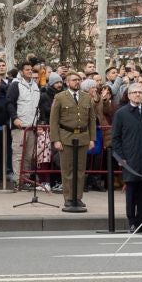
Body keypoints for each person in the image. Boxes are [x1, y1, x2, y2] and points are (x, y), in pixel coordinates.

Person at [111, 80, 142, 231]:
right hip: (129, 159)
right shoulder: (121, 113)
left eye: (140, 92)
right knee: (131, 192)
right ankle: (132, 222)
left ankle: (141, 222)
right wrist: (120, 157)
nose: (138, 95)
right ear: (129, 95)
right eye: (134, 92)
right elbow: (116, 137)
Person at [49, 70, 93, 212]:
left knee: (80, 169)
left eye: (78, 80)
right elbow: (54, 120)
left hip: (82, 136)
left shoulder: (86, 97)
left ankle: (78, 197)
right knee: (67, 169)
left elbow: (91, 120)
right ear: (67, 82)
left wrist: (92, 138)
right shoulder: (60, 97)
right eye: (74, 80)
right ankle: (68, 197)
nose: (77, 82)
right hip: (66, 136)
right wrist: (56, 139)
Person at [11, 63, 43, 191]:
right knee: (18, 155)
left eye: (31, 69)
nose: (30, 71)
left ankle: (26, 180)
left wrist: (38, 122)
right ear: (21, 71)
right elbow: (10, 102)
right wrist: (14, 118)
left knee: (29, 156)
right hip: (20, 126)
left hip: (32, 127)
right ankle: (18, 182)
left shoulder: (35, 85)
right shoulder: (16, 84)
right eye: (27, 70)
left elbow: (37, 106)